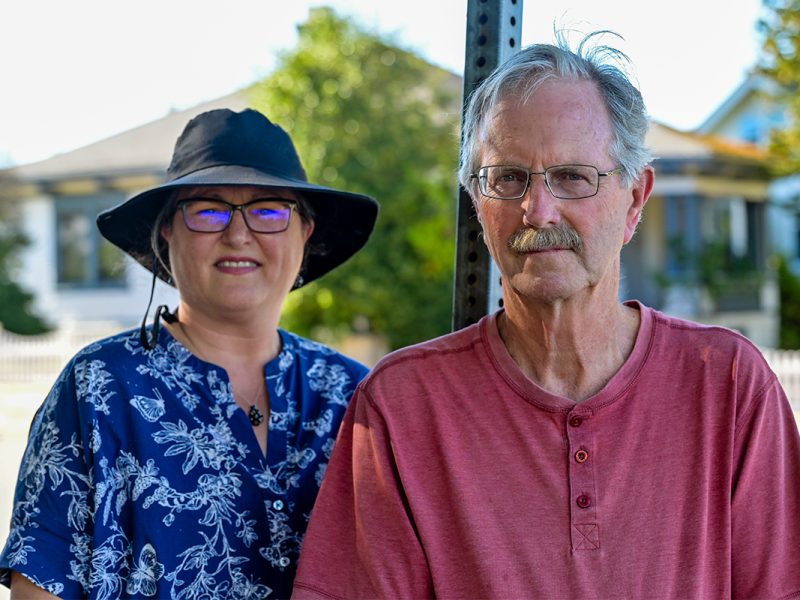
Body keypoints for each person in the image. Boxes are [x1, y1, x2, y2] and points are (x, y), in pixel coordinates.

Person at [292, 33, 800, 599]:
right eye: (507, 179)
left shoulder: (729, 386)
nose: (538, 209)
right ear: (477, 205)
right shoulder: (403, 406)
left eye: (572, 177)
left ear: (635, 200)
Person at [0, 108, 378, 599]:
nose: (238, 234)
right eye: (207, 210)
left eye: (268, 210)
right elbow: (40, 585)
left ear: (304, 233)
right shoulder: (100, 387)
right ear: (166, 234)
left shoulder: (355, 396)